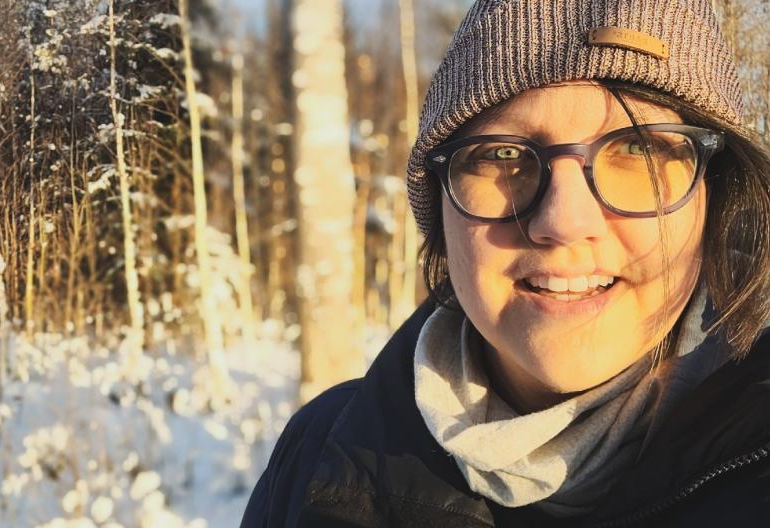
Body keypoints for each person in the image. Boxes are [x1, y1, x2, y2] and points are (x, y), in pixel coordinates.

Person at [242, 0, 770, 526]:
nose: (563, 221)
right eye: (502, 154)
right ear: (441, 211)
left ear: (717, 193)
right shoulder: (317, 460)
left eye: (639, 151)